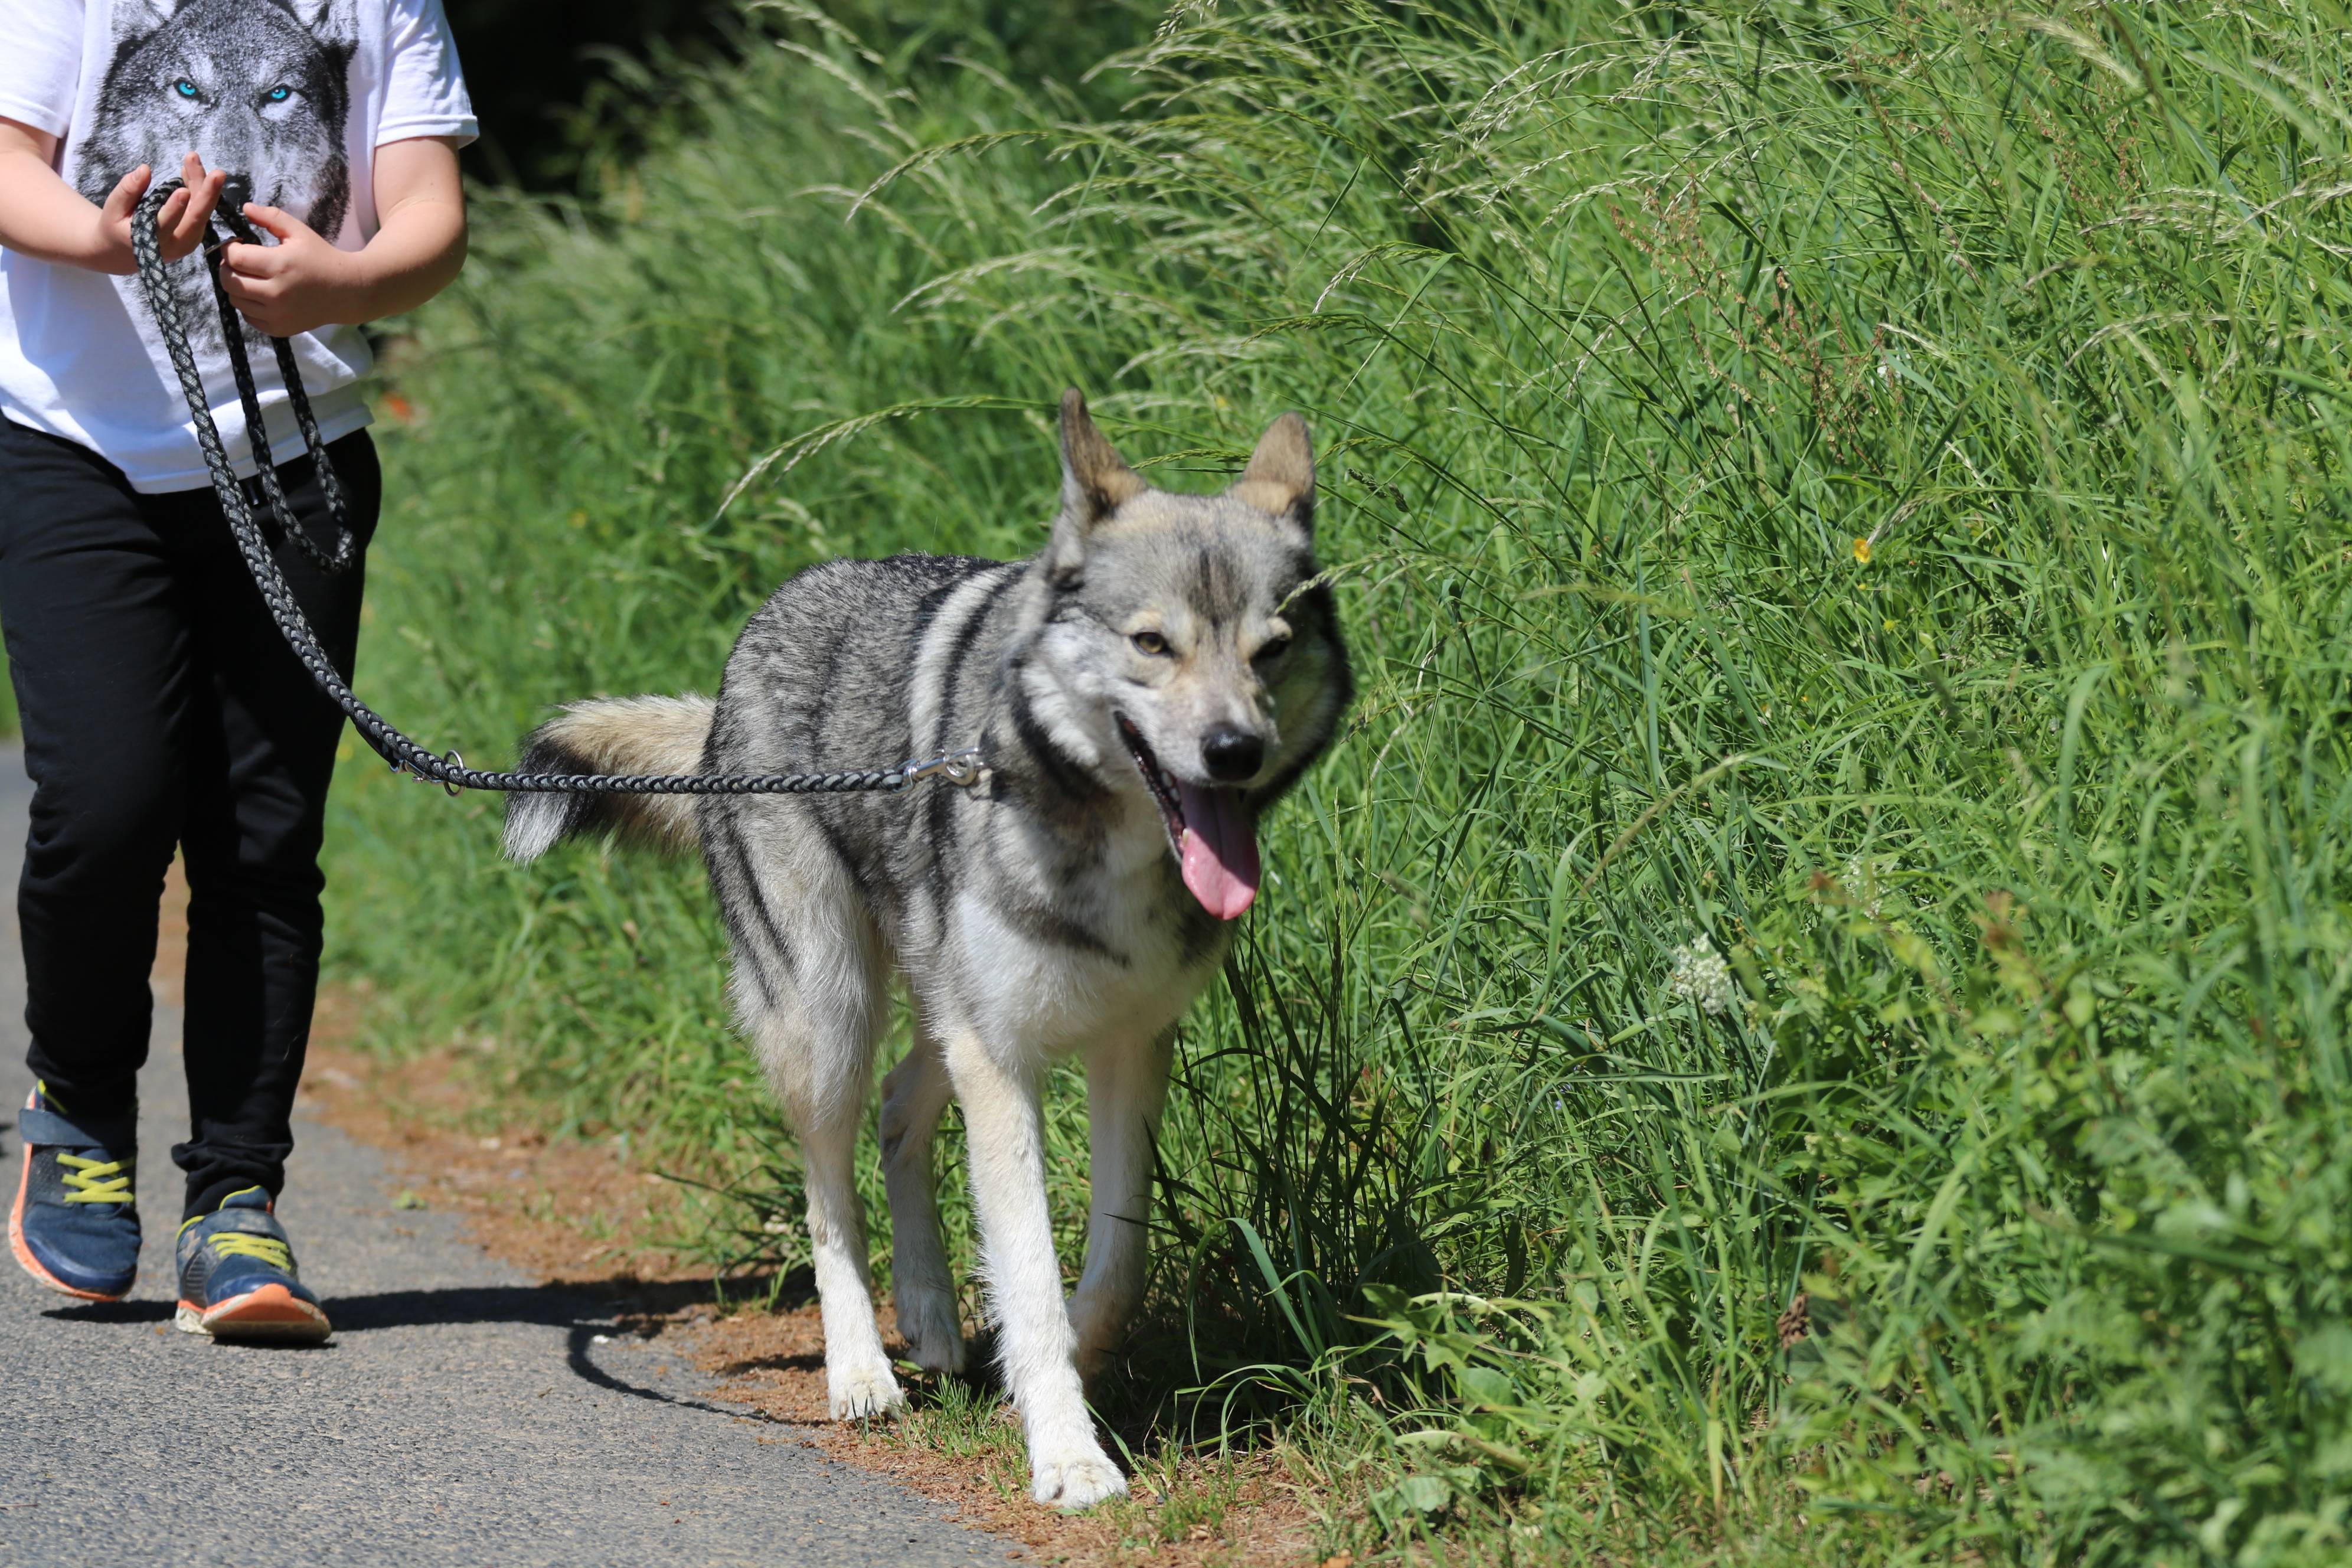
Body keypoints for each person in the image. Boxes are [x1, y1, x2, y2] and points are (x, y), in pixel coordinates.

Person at [0, 0, 473, 1342]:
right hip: (71, 446)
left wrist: (352, 286)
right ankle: (81, 1100)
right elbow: (9, 158)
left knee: (262, 840)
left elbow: (428, 209)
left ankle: (236, 1200)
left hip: (297, 458)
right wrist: (95, 235)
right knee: (105, 805)